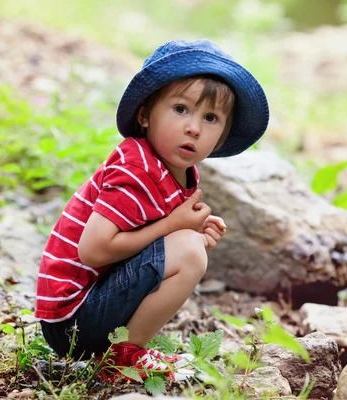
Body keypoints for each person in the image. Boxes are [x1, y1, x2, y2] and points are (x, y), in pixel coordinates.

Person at [34, 39, 269, 381]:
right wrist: (174, 226)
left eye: (211, 118)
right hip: (71, 321)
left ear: (221, 138)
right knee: (189, 252)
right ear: (145, 114)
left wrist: (187, 227)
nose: (194, 127)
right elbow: (93, 250)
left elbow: (146, 231)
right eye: (180, 109)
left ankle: (123, 350)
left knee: (188, 243)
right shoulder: (136, 168)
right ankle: (121, 358)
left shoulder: (172, 169)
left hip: (90, 308)